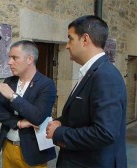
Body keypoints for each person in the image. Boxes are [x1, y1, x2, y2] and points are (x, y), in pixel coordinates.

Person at [46, 15, 127, 168]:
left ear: (85, 39)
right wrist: (61, 121)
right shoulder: (93, 71)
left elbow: (105, 132)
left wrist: (59, 133)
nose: (67, 45)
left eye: (70, 39)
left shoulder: (105, 75)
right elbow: (85, 115)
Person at [0, 40, 56, 167]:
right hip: (8, 146)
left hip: (33, 151)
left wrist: (13, 97)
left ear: (29, 59)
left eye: (14, 58)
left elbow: (37, 117)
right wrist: (19, 123)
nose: (10, 62)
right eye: (9, 58)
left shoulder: (46, 84)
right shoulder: (10, 81)